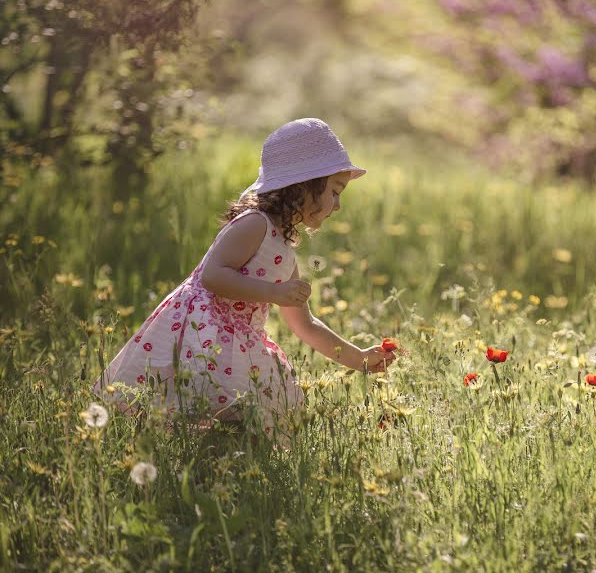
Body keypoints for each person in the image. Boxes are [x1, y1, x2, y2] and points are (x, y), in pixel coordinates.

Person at [92, 118, 397, 434]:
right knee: (209, 410)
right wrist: (273, 293)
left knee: (241, 425)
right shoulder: (254, 224)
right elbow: (212, 276)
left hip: (237, 341)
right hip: (202, 332)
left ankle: (208, 457)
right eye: (335, 191)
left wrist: (358, 359)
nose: (338, 205)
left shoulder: (285, 251)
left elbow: (305, 325)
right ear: (304, 185)